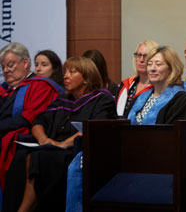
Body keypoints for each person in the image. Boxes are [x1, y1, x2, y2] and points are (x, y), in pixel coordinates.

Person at [4, 56, 117, 211]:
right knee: (20, 156)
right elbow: (38, 122)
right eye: (65, 72)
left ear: (86, 78)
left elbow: (93, 128)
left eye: (72, 72)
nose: (66, 76)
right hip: (52, 149)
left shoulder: (102, 99)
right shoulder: (62, 99)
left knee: (38, 158)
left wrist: (62, 144)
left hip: (78, 153)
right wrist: (43, 139)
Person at [0, 43, 63, 191]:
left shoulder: (40, 86)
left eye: (10, 65)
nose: (6, 70)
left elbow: (29, 118)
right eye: (3, 67)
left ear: (25, 63)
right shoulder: (5, 89)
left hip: (24, 141)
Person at [128, 45, 186, 125]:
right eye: (149, 64)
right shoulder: (140, 97)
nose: (152, 69)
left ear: (171, 69)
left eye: (158, 64)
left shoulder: (180, 99)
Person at [115, 39, 158, 118]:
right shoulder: (126, 86)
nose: (141, 60)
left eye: (145, 56)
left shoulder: (159, 89)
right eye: (139, 55)